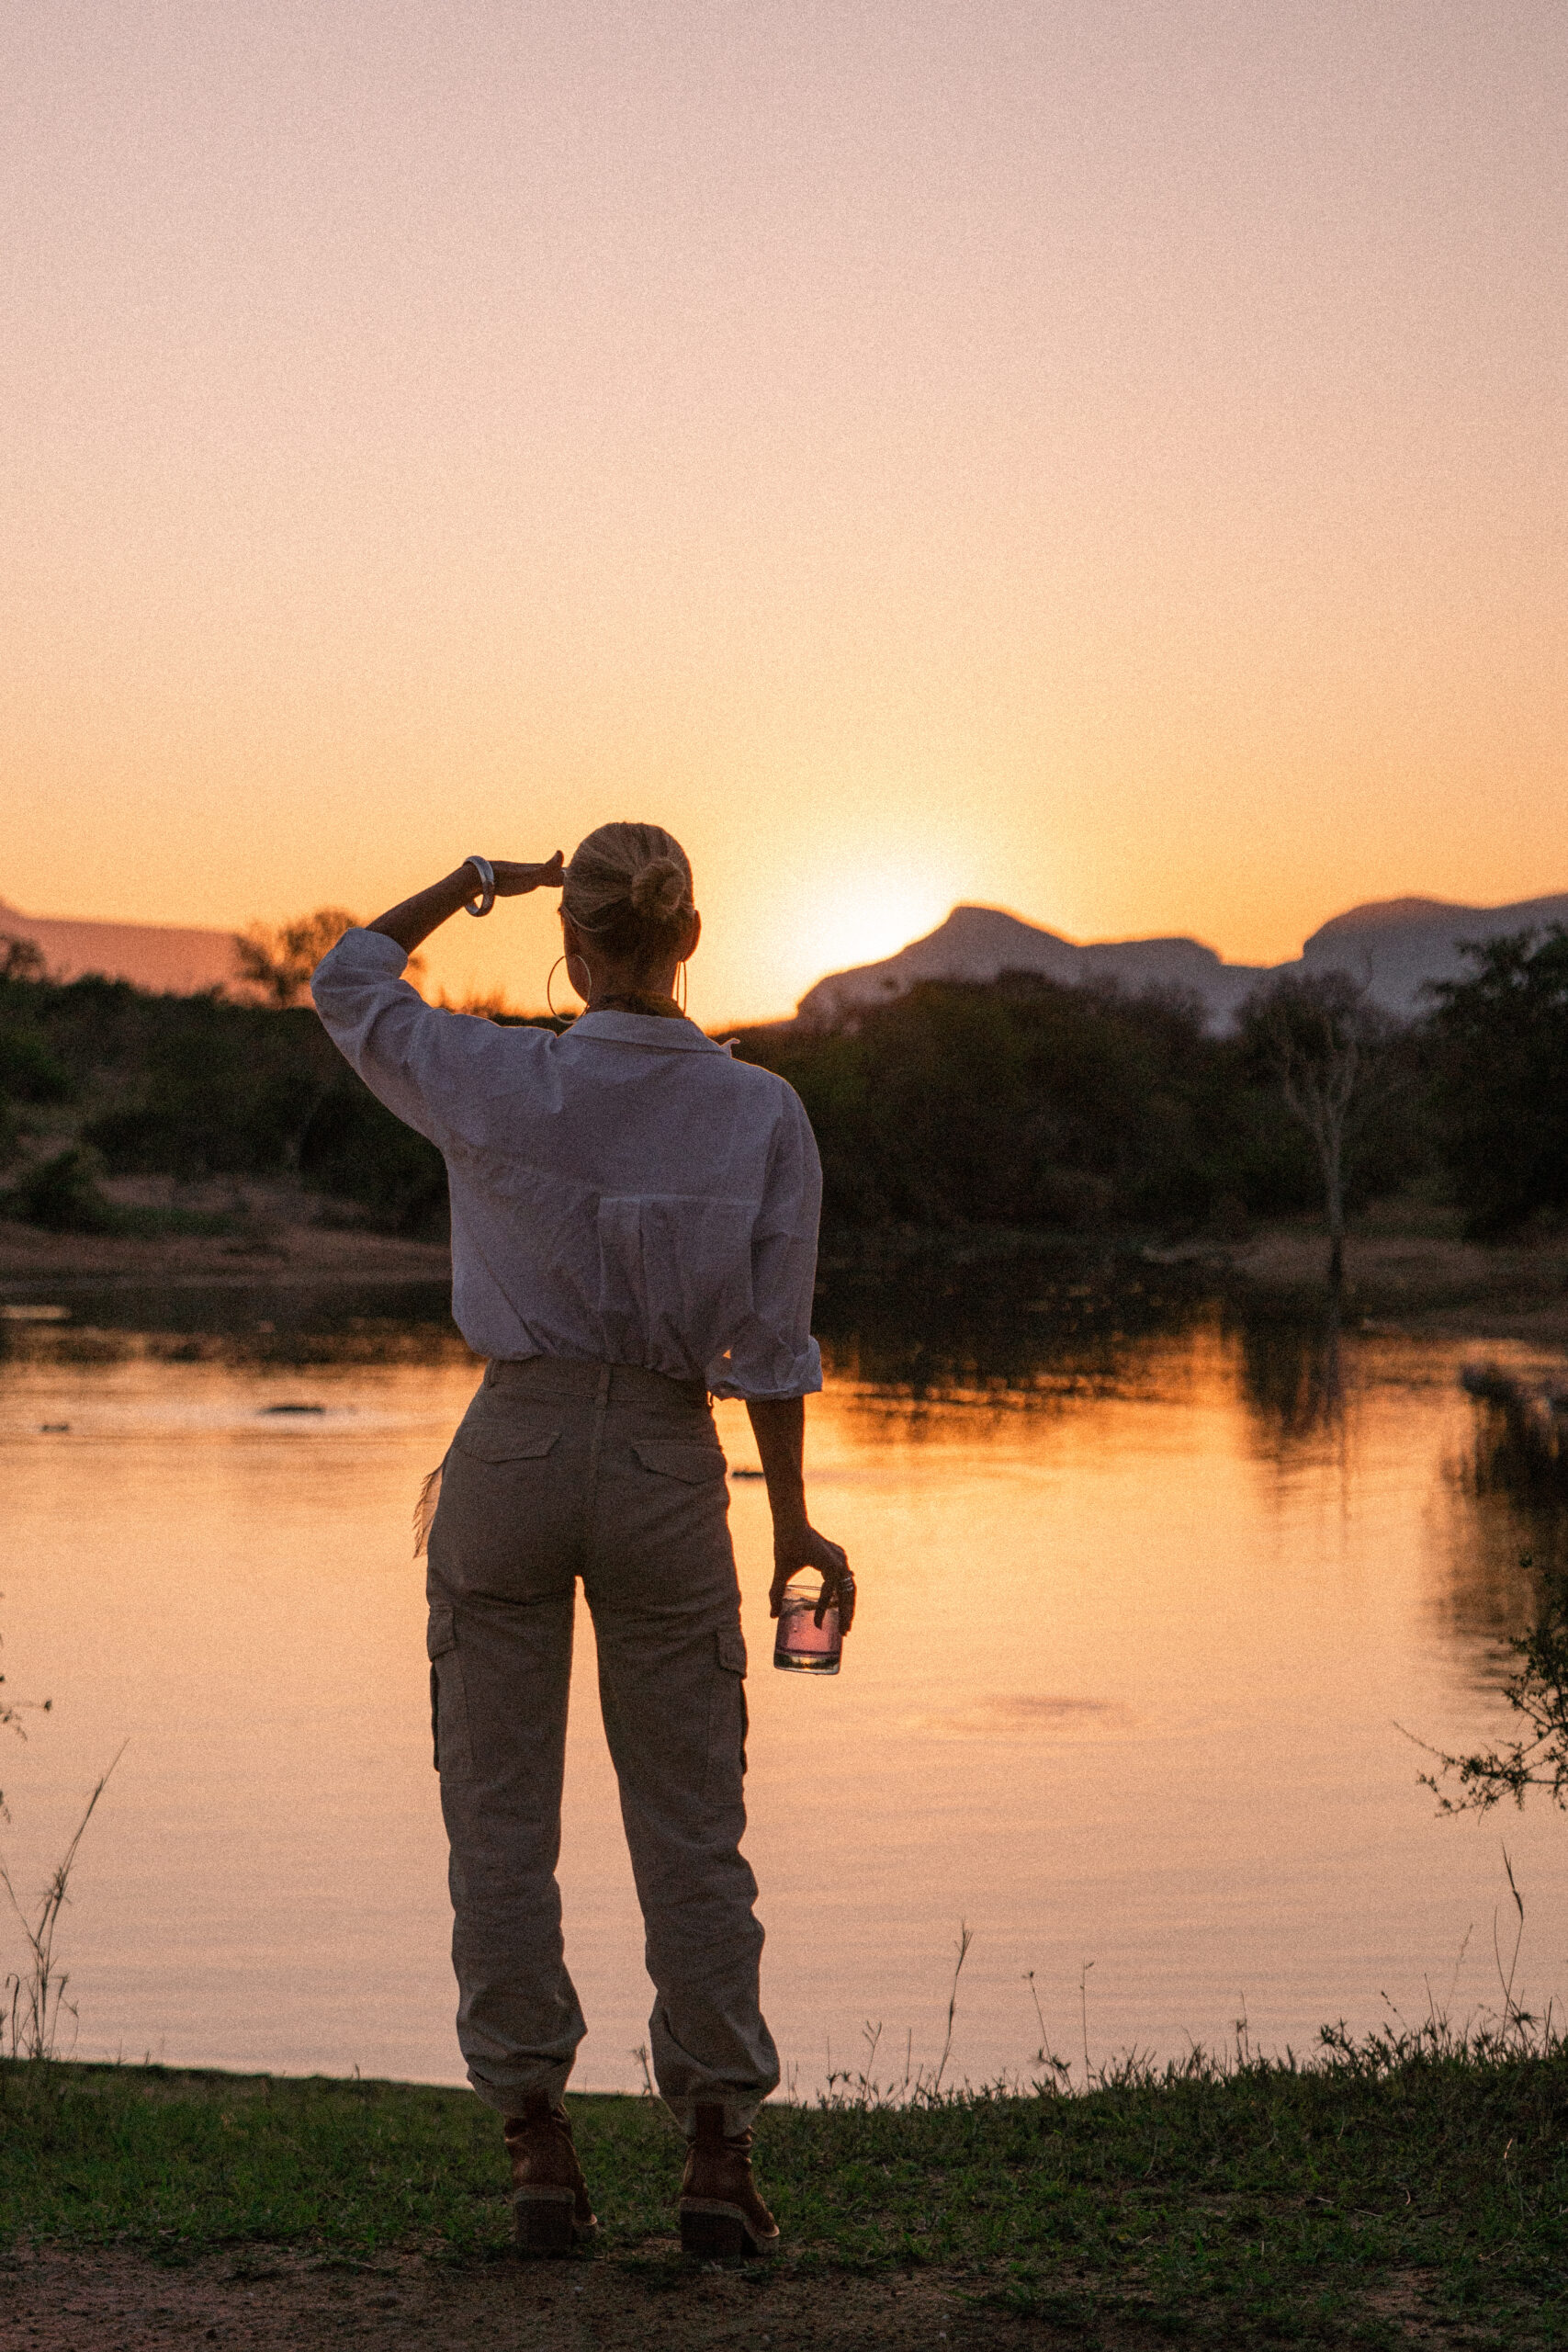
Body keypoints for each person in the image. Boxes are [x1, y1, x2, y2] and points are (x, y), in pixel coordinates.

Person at [311, 822, 853, 2258]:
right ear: (690, 936)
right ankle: (717, 2155)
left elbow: (349, 980)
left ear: (580, 941)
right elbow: (776, 1350)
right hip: (672, 1462)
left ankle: (537, 2140)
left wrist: (476, 883)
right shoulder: (762, 1113)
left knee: (497, 1813)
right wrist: (793, 1521)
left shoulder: (498, 1074)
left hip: (512, 1450)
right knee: (694, 1823)